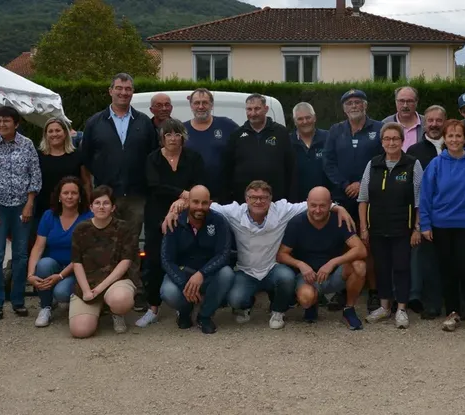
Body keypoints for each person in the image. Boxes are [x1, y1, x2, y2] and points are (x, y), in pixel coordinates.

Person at [162, 180, 355, 330]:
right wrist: (176, 207)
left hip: (272, 269)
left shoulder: (282, 210)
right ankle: (246, 304)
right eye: (253, 197)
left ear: (271, 199)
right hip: (246, 271)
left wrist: (337, 207)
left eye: (263, 197)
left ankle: (278, 312)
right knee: (236, 298)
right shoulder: (233, 212)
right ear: (246, 199)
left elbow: (313, 205)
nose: (258, 201)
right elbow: (202, 206)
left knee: (287, 277)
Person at [420, 119, 465, 336]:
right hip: (441, 223)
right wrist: (425, 223)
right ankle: (452, 311)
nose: (454, 139)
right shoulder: (436, 164)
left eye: (458, 135)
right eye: (450, 136)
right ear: (445, 138)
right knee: (447, 269)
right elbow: (425, 196)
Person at [136, 118, 205, 328]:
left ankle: (181, 304)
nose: (173, 138)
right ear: (161, 138)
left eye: (176, 134)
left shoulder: (193, 157)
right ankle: (153, 307)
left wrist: (181, 201)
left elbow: (199, 184)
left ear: (183, 137)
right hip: (156, 213)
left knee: (184, 256)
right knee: (153, 260)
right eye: (168, 134)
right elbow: (154, 185)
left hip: (187, 213)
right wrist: (182, 194)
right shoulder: (152, 159)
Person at [323, 89, 383, 311]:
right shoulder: (335, 130)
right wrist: (345, 184)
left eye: (358, 102)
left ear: (365, 105)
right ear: (343, 108)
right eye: (349, 103)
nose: (354, 106)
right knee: (343, 244)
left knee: (370, 245)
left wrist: (361, 183)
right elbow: (328, 162)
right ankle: (342, 289)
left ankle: (375, 292)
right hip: (342, 198)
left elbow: (383, 159)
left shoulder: (378, 129)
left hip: (372, 198)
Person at [359, 122, 423, 329]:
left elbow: (420, 201)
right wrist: (364, 228)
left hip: (403, 229)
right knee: (382, 268)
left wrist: (417, 228)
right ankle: (385, 307)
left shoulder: (413, 165)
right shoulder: (373, 164)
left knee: (402, 268)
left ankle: (401, 309)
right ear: (381, 141)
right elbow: (363, 199)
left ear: (402, 141)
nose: (391, 142)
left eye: (395, 138)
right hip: (377, 228)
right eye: (387, 139)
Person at [0, 106, 42, 320]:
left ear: (16, 124)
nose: (1, 125)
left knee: (20, 255)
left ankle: (18, 300)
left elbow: (35, 174)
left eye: (6, 121)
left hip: (21, 206)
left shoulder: (26, 144)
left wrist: (30, 203)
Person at [79, 73, 158, 237]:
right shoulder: (94, 123)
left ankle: (131, 265)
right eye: (119, 88)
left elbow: (153, 156)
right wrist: (90, 191)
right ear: (110, 91)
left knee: (132, 243)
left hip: (136, 197)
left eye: (128, 89)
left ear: (132, 92)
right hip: (106, 196)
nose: (124, 92)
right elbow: (85, 159)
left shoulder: (144, 122)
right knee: (105, 242)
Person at [277, 187, 367, 329]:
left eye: (322, 206)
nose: (317, 210)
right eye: (313, 205)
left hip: (334, 274)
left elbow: (361, 249)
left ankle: (349, 310)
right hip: (308, 276)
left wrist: (333, 262)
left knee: (359, 266)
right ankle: (312, 303)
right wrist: (300, 264)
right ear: (307, 203)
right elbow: (281, 255)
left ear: (330, 204)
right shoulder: (296, 223)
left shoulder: (339, 220)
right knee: (306, 299)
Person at [160, 185, 234, 334]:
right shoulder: (175, 222)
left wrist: (202, 273)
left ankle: (204, 316)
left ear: (210, 203)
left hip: (208, 274)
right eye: (195, 202)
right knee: (168, 291)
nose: (200, 207)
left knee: (227, 274)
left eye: (204, 203)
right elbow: (166, 259)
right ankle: (185, 312)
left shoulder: (219, 222)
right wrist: (184, 284)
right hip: (182, 273)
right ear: (187, 202)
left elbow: (224, 254)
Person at [69, 185, 140, 338]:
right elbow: (77, 262)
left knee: (120, 300)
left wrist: (100, 288)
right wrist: (87, 291)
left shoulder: (124, 228)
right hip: (88, 284)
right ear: (91, 207)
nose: (101, 207)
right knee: (80, 331)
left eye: (106, 203)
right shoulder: (81, 229)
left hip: (116, 282)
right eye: (97, 203)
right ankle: (97, 309)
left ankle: (116, 312)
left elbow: (125, 262)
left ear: (113, 207)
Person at [27, 177, 93, 327]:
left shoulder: (88, 218)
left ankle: (68, 298)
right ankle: (45, 307)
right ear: (59, 196)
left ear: (80, 196)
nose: (69, 197)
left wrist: (61, 276)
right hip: (54, 265)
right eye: (65, 193)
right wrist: (30, 274)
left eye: (74, 193)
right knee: (43, 264)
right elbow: (38, 247)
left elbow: (83, 255)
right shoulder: (49, 216)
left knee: (61, 293)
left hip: (77, 269)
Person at [405, 104, 446, 318]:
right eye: (430, 120)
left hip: (453, 213)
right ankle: (430, 303)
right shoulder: (414, 152)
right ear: (425, 123)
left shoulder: (456, 146)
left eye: (439, 120)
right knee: (427, 260)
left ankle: (456, 302)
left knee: (451, 258)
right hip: (426, 213)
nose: (434, 124)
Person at [221, 93, 294, 203]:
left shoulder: (281, 133)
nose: (253, 113)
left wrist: (290, 197)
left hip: (275, 200)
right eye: (249, 109)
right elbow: (228, 169)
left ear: (266, 109)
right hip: (244, 201)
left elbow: (290, 166)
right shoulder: (236, 135)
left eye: (257, 109)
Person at [34, 118, 88, 246]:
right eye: (50, 131)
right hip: (44, 207)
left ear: (65, 133)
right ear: (45, 134)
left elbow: (86, 182)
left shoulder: (77, 155)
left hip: (72, 207)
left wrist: (88, 202)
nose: (54, 134)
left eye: (58, 130)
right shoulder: (38, 156)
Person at [183, 88, 240, 201]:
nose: (200, 106)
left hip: (224, 195)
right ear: (191, 106)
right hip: (192, 196)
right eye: (196, 103)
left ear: (212, 105)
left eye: (205, 102)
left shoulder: (227, 125)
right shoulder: (182, 129)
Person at [291, 102, 331, 203]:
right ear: (295, 121)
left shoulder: (329, 138)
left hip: (325, 200)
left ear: (314, 118)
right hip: (296, 203)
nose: (305, 122)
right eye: (300, 119)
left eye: (308, 117)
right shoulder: (287, 142)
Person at [382, 86, 424, 152]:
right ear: (395, 102)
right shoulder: (385, 124)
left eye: (409, 101)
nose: (405, 105)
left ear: (416, 102)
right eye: (401, 101)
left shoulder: (426, 123)